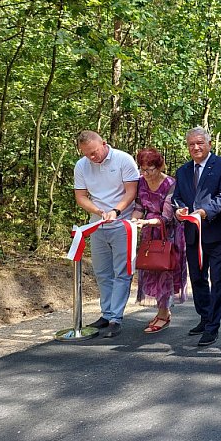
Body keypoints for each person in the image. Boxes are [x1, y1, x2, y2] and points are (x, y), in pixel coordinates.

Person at [172, 127, 221, 347]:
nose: (196, 147)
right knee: (197, 278)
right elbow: (177, 197)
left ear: (209, 144)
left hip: (217, 232)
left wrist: (204, 212)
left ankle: (212, 327)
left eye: (200, 143)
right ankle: (205, 317)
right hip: (192, 233)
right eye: (191, 144)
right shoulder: (182, 171)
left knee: (217, 280)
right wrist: (179, 210)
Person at [74, 130, 139, 338]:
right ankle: (106, 312)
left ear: (103, 143)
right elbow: (81, 196)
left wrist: (115, 211)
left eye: (94, 152)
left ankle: (115, 318)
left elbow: (132, 191)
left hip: (122, 223)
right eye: (87, 154)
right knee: (102, 272)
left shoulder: (123, 159)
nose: (92, 157)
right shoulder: (81, 165)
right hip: (97, 224)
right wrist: (97, 211)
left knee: (122, 272)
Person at [130, 148, 188, 333]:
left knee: (165, 273)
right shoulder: (140, 182)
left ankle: (163, 314)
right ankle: (162, 312)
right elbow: (139, 207)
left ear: (159, 166)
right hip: (149, 233)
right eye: (142, 169)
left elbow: (167, 217)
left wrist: (147, 222)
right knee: (151, 271)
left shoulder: (171, 184)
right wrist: (133, 221)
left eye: (150, 169)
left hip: (168, 235)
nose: (146, 174)